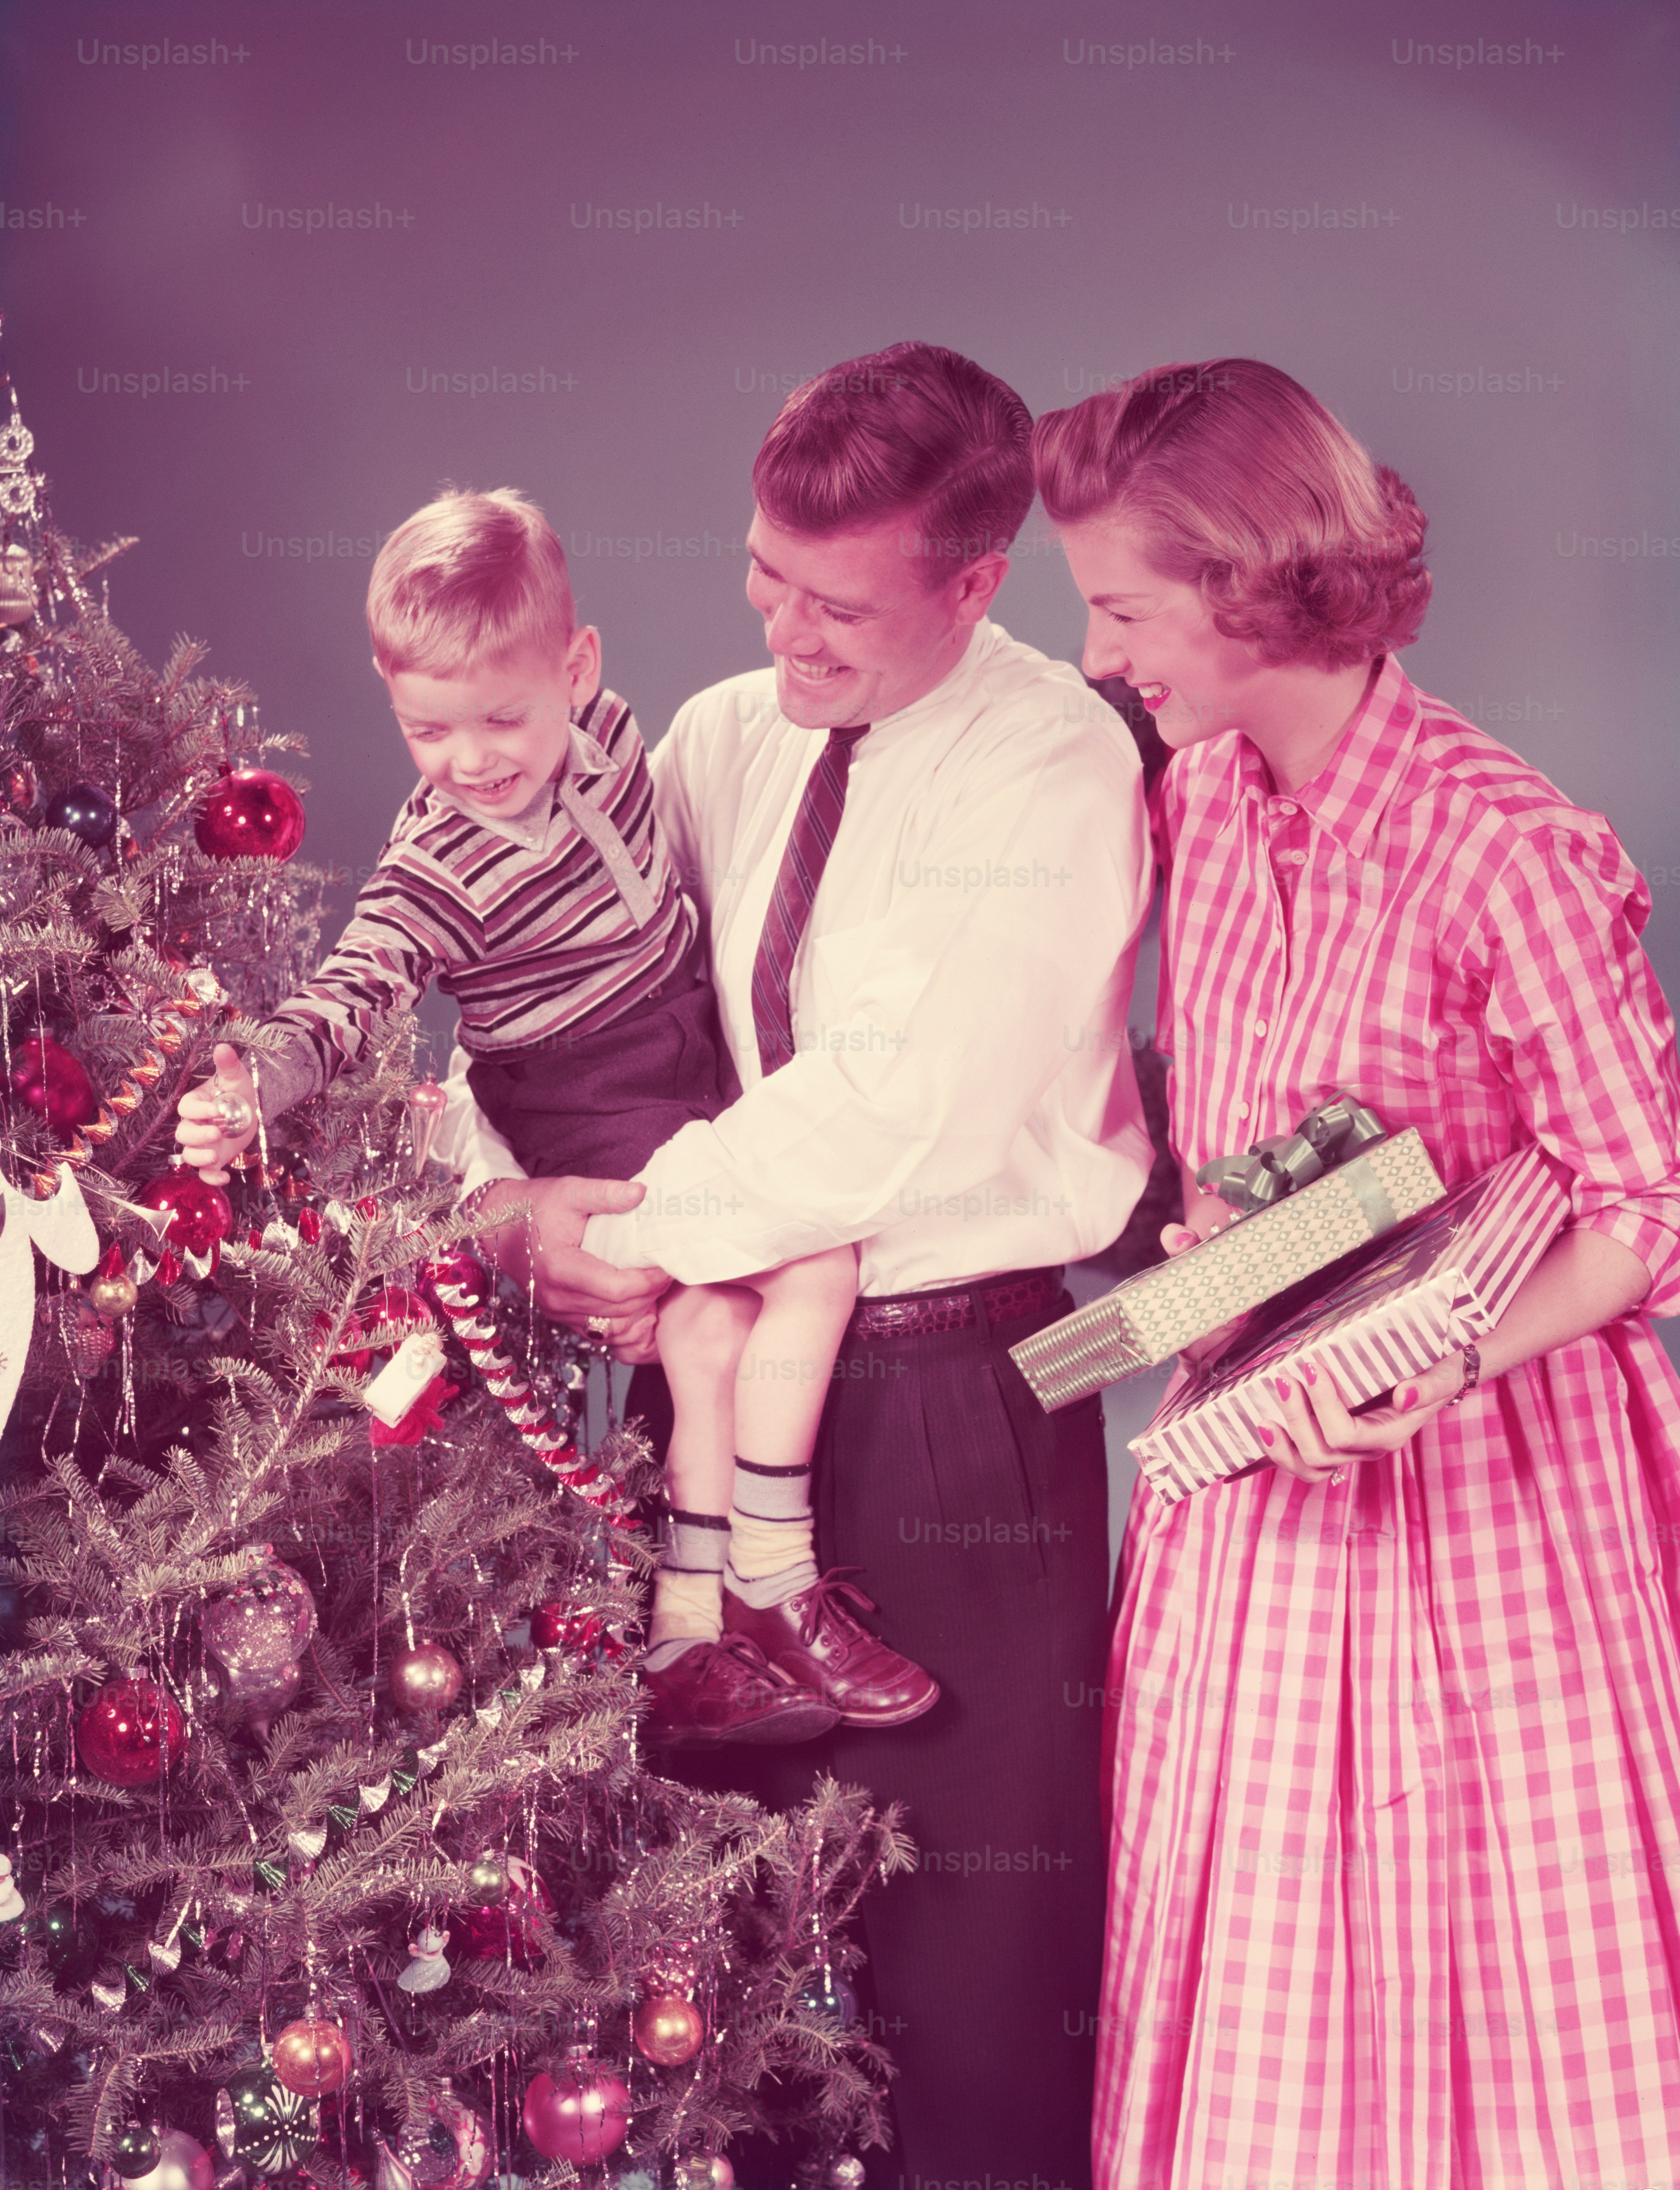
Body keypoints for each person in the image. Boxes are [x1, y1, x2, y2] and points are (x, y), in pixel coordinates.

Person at [436, 342, 1156, 2186]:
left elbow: (891, 1102)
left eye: (839, 601)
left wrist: (640, 1232)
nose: (785, 627)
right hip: (710, 1385)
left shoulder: (1054, 758)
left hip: (953, 1407)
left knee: (968, 1968)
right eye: (767, 570)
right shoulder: (716, 733)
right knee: (710, 1960)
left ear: (975, 581)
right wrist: (499, 1206)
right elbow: (568, 994)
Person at [1034, 357, 1680, 2185]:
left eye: (1125, 609)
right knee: (1257, 1973)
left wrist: (1441, 1362)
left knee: (1492, 1977)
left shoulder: (1505, 848)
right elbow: (1247, 1131)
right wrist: (1221, 1237)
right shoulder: (1204, 799)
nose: (1099, 657)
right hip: (1255, 1488)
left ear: (1248, 585)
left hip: (1491, 1506)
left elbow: (1651, 1205)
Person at [172, 486, 940, 1750]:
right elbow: (351, 989)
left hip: (697, 1074)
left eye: (503, 716)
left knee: (708, 1334)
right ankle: (779, 1580)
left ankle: (693, 1632)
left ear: (577, 672)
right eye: (428, 728)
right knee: (819, 1253)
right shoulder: (435, 871)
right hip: (594, 1114)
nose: (471, 757)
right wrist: (258, 1082)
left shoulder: (619, 743)